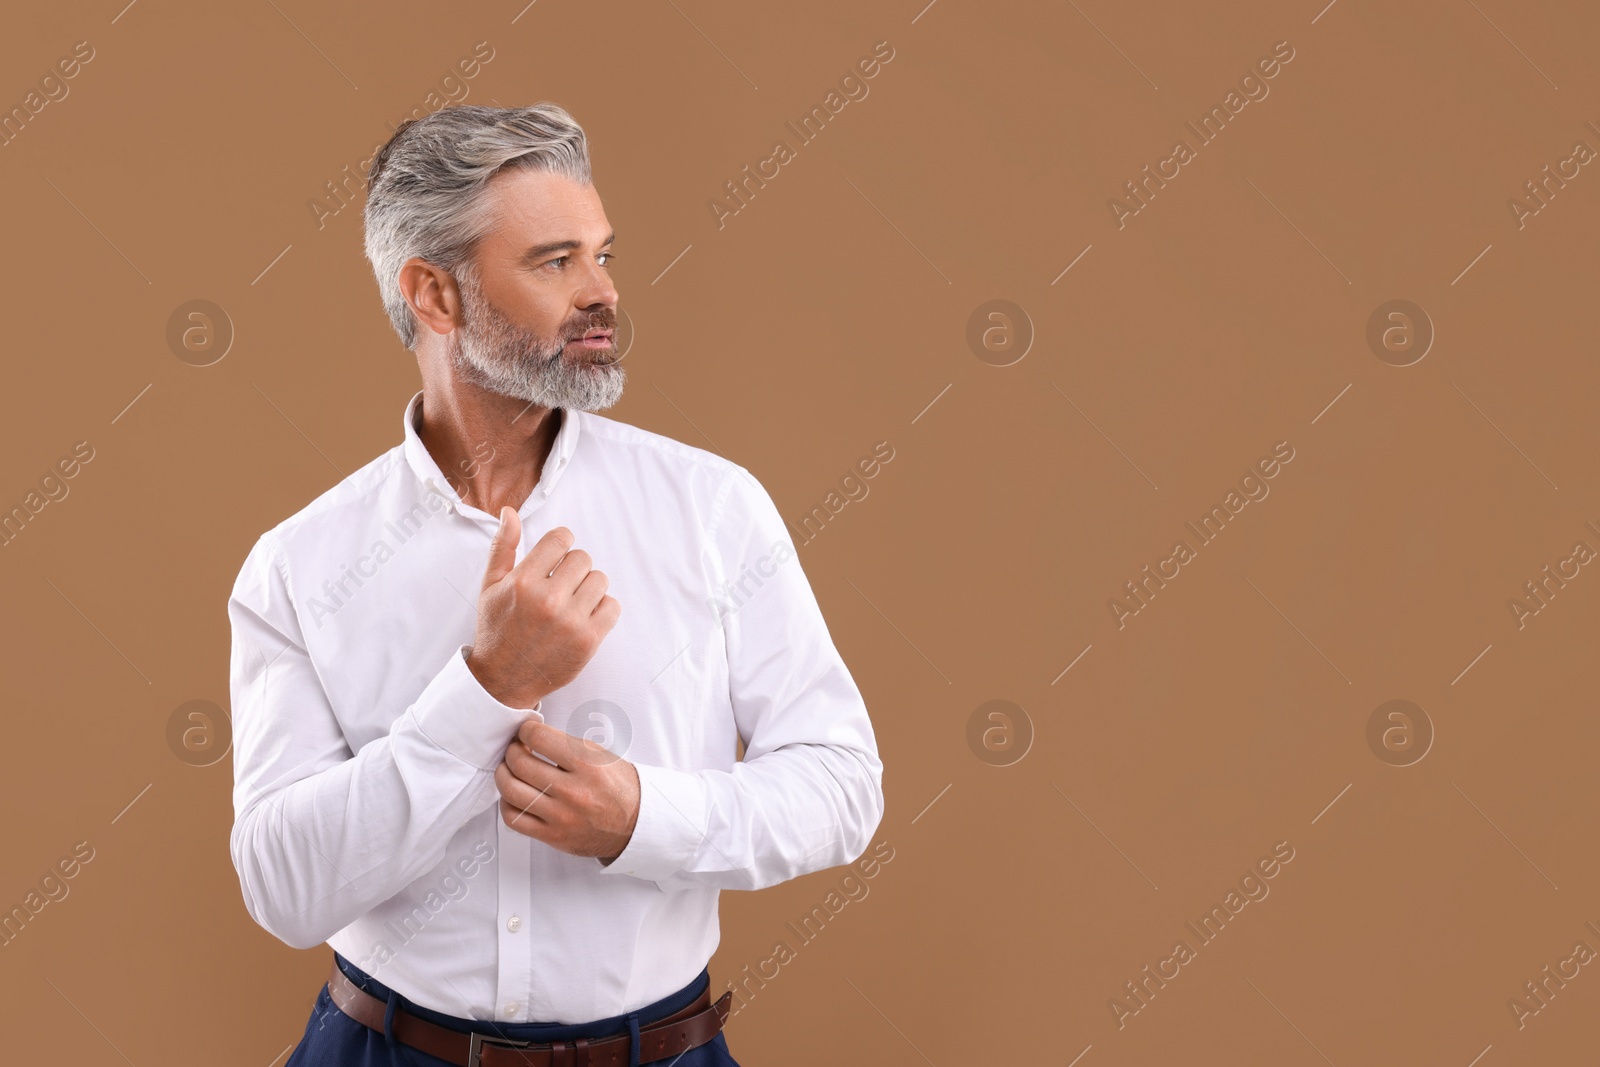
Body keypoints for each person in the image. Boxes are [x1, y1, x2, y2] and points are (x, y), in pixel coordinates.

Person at [226, 102, 886, 1066]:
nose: (602, 292)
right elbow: (284, 892)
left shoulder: (712, 506)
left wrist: (644, 818)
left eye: (603, 255)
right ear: (434, 295)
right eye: (554, 261)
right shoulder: (301, 564)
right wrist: (484, 688)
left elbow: (841, 784)